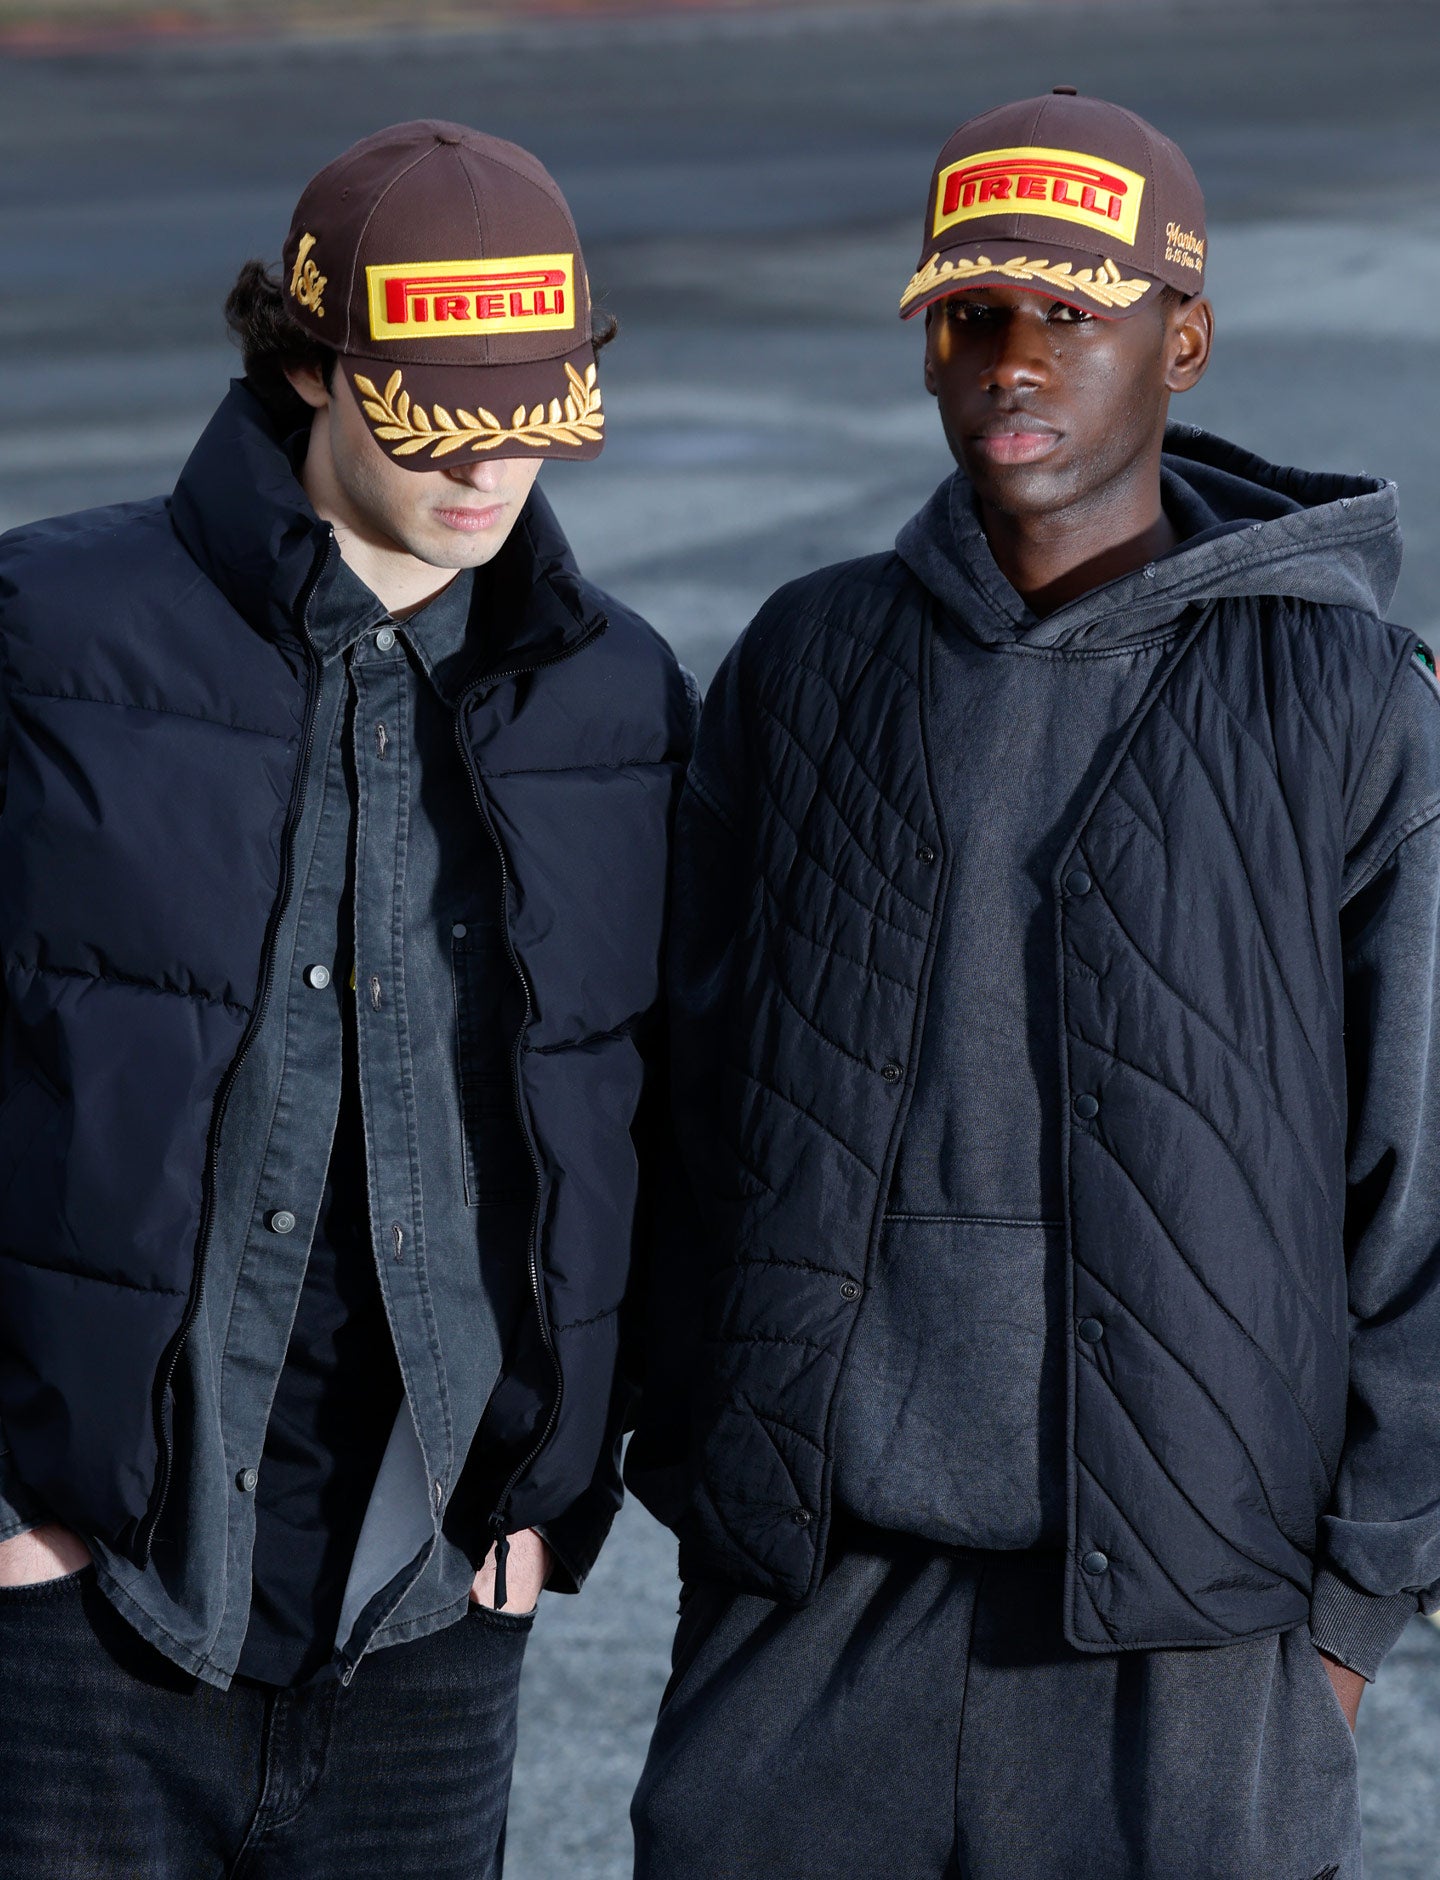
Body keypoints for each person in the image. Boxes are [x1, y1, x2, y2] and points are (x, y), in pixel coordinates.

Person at [627, 88, 1440, 1879]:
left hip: (1193, 1651)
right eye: (972, 314)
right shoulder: (808, 662)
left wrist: (1343, 1627)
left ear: (1187, 341)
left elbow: (1418, 1192)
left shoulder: (1350, 704)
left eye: (1072, 315)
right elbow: (684, 1113)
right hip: (811, 1624)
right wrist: (713, 1496)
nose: (1013, 357)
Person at [0, 119, 692, 1877]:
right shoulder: (49, 640)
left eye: (530, 426)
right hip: (79, 1615)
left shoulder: (619, 700)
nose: (490, 480)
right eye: (440, 424)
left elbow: (652, 1125)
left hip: (430, 1615)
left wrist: (556, 1495)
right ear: (308, 360)